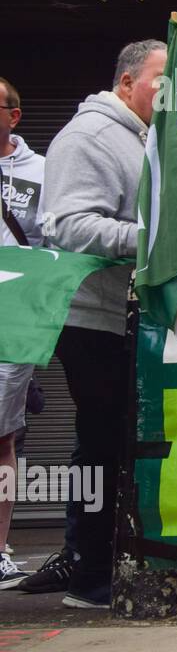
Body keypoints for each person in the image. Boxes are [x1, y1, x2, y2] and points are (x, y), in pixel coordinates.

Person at [40, 41, 166, 609]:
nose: (173, 95)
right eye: (163, 82)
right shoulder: (88, 136)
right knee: (100, 444)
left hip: (127, 317)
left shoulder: (143, 137)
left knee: (113, 443)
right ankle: (90, 574)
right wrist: (152, 242)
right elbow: (65, 225)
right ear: (125, 82)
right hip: (95, 319)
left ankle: (97, 563)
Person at [0, 76, 44, 590]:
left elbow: (52, 236)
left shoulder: (41, 170)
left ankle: (0, 548)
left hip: (15, 316)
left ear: (15, 115)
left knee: (3, 433)